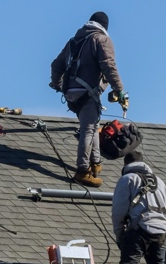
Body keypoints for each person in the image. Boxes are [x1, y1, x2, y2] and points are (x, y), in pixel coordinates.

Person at [50, 11, 129, 187]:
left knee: (93, 126)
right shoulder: (101, 40)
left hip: (71, 94)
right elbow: (108, 65)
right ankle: (82, 171)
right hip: (87, 92)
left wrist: (56, 83)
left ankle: (95, 162)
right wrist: (120, 90)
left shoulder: (73, 41)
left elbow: (56, 64)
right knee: (87, 129)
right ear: (105, 27)